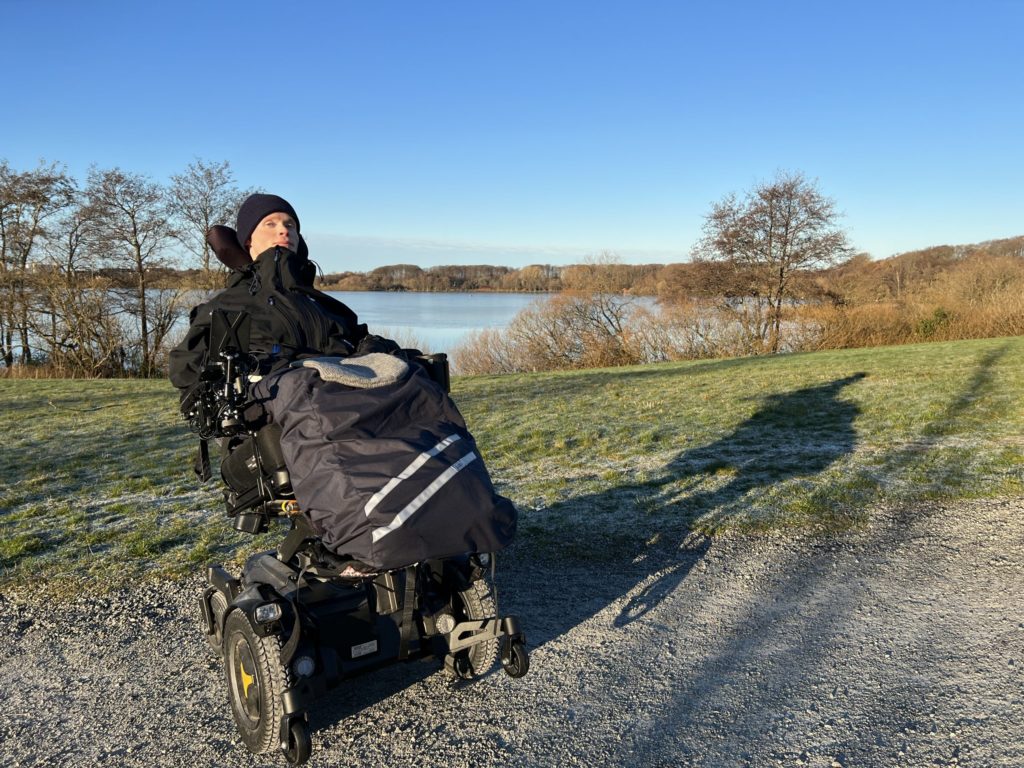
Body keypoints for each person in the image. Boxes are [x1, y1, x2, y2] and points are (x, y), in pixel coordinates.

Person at [169, 193, 398, 397]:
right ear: (248, 239)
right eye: (270, 224)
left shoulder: (323, 305)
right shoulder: (226, 304)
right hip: (278, 411)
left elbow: (362, 342)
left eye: (290, 225)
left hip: (347, 400)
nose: (284, 230)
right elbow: (185, 370)